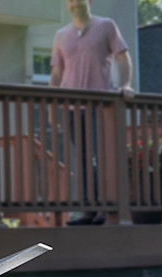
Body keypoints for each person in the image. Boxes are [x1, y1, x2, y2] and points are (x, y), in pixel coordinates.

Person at [50, 0, 134, 225]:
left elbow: (123, 56)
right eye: (70, 0)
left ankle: (106, 208)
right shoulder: (61, 36)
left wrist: (125, 85)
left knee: (101, 156)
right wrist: (50, 104)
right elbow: (57, 74)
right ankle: (88, 210)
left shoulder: (106, 26)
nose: (74, 3)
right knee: (83, 159)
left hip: (100, 106)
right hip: (72, 109)